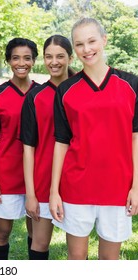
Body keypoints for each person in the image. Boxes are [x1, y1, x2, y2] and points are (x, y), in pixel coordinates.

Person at [49, 17, 138, 260]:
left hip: (118, 188)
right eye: (79, 44)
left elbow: (135, 139)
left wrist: (136, 186)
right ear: (74, 49)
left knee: (108, 263)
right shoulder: (66, 91)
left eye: (91, 41)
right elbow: (61, 142)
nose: (86, 49)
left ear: (104, 40)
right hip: (77, 187)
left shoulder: (131, 85)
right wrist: (54, 191)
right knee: (77, 261)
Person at [0, 38, 39, 260]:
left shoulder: (42, 93)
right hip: (6, 173)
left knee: (36, 232)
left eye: (27, 58)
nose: (21, 63)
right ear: (8, 60)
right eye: (16, 58)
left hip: (36, 174)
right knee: (3, 232)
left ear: (34, 61)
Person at [20, 35, 74, 260]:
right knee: (39, 244)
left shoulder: (81, 91)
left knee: (78, 249)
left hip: (77, 178)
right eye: (49, 57)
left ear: (70, 58)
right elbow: (28, 148)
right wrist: (30, 194)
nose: (54, 62)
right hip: (43, 180)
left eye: (60, 56)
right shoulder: (35, 96)